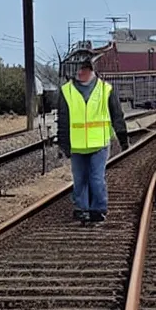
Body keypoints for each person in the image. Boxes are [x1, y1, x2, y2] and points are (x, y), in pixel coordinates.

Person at [58, 53, 129, 223]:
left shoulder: (106, 90)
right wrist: (63, 144)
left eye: (82, 69)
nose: (79, 72)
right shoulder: (66, 91)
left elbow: (117, 116)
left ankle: (98, 209)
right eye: (77, 69)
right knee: (80, 180)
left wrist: (123, 140)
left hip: (99, 144)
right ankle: (81, 209)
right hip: (77, 146)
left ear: (90, 70)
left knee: (96, 179)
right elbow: (63, 119)